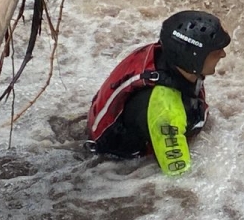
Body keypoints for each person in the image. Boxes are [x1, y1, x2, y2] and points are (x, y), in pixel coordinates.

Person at [86, 10, 230, 176]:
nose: (223, 54)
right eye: (215, 52)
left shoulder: (164, 56)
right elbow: (178, 174)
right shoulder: (165, 111)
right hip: (114, 166)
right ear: (193, 58)